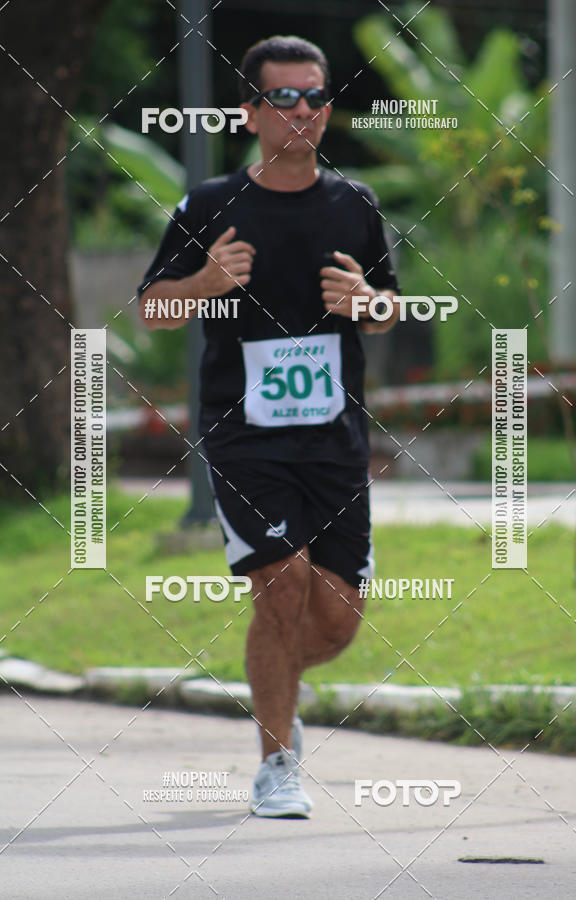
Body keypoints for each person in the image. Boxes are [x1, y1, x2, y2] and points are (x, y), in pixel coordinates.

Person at [139, 35, 400, 818]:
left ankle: (274, 688)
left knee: (336, 621)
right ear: (249, 110)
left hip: (334, 437)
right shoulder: (210, 205)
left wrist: (371, 306)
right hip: (243, 432)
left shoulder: (354, 204)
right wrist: (205, 281)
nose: (302, 112)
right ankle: (276, 762)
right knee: (280, 587)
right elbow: (153, 309)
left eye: (315, 96)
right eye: (283, 97)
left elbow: (388, 306)